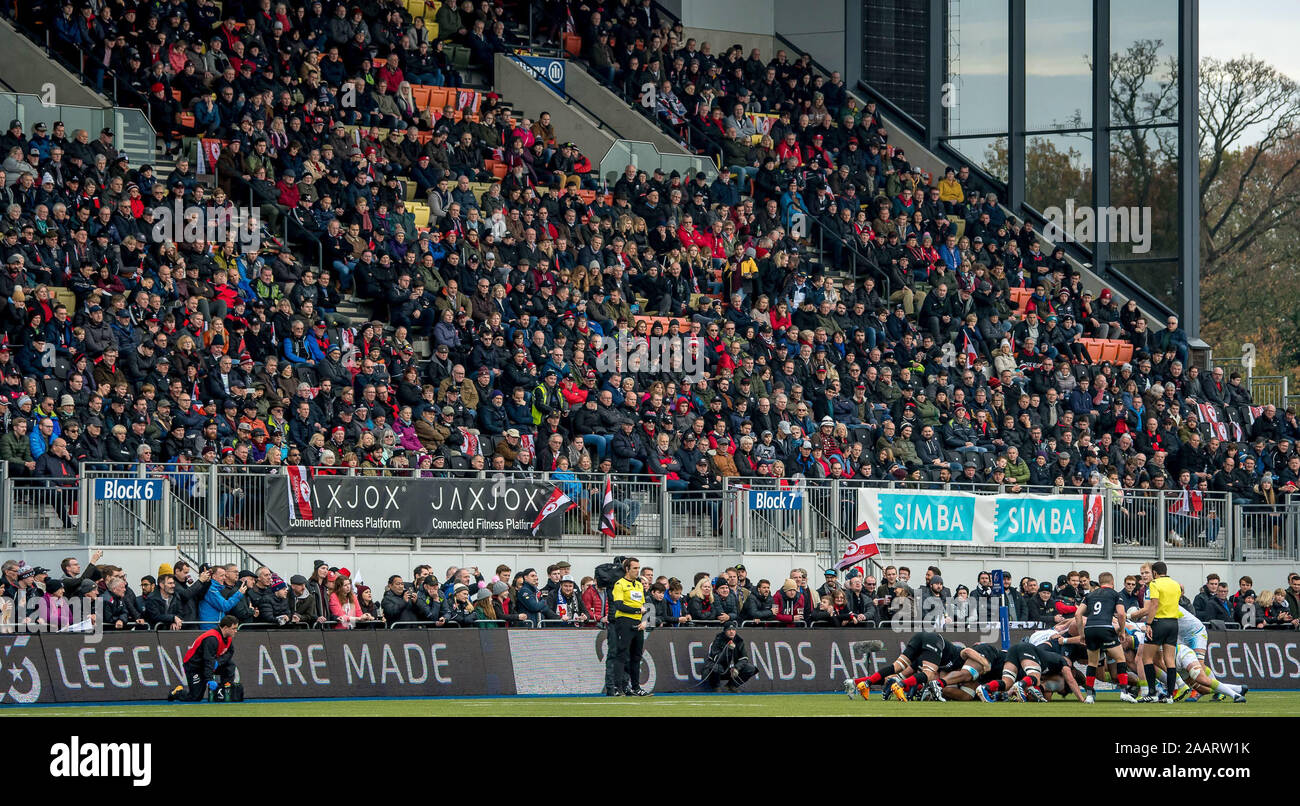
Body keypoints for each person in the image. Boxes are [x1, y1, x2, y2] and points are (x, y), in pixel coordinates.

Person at [1073, 571, 1137, 704]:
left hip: (1090, 629)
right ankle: (1124, 692)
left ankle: (1089, 696)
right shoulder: (1115, 594)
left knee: (1092, 663)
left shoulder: (1090, 595)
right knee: (1121, 659)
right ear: (1112, 582)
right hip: (1105, 628)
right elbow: (1121, 614)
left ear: (1100, 582)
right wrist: (1122, 631)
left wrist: (1082, 634)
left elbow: (1078, 614)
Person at [1136, 560, 1182, 702]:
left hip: (1159, 622)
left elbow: (1154, 605)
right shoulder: (1176, 584)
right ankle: (1170, 695)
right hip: (1173, 623)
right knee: (1169, 660)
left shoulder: (1155, 584)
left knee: (1147, 658)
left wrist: (1148, 624)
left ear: (1154, 572)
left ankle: (1152, 693)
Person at [605, 556, 651, 696]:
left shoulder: (639, 585)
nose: (637, 571)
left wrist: (644, 620)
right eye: (634, 568)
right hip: (624, 621)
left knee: (636, 656)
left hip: (638, 623)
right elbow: (619, 605)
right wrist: (637, 611)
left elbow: (644, 605)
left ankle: (636, 687)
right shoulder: (620, 584)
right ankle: (617, 687)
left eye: (638, 568)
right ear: (627, 569)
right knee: (622, 654)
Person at [168, 615, 241, 702]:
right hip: (194, 666)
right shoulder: (212, 638)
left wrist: (218, 662)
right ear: (225, 628)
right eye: (233, 628)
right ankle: (176, 692)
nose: (236, 631)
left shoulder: (227, 637)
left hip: (208, 663)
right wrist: (209, 679)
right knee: (195, 697)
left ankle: (225, 691)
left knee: (229, 666)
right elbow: (208, 660)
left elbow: (230, 652)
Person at [702, 621, 757, 691]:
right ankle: (715, 687)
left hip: (732, 669)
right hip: (720, 668)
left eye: (733, 630)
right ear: (725, 631)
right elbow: (716, 658)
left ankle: (732, 685)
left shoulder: (739, 641)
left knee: (750, 668)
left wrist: (737, 668)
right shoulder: (718, 640)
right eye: (729, 630)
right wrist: (728, 650)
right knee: (715, 667)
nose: (731, 632)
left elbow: (744, 658)